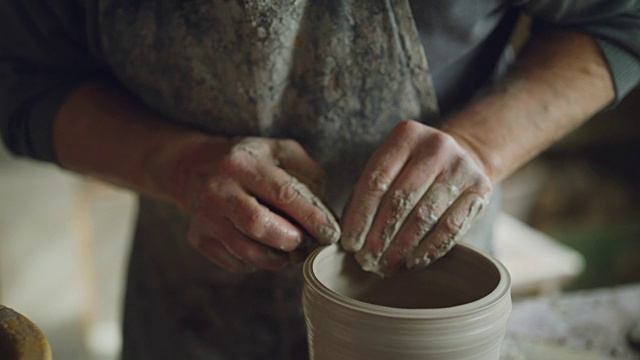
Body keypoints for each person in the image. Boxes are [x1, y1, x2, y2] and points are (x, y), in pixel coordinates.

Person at [1, 1, 639, 359]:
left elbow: (622, 18)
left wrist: (485, 140)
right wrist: (175, 164)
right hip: (192, 312)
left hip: (442, 309)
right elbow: (19, 74)